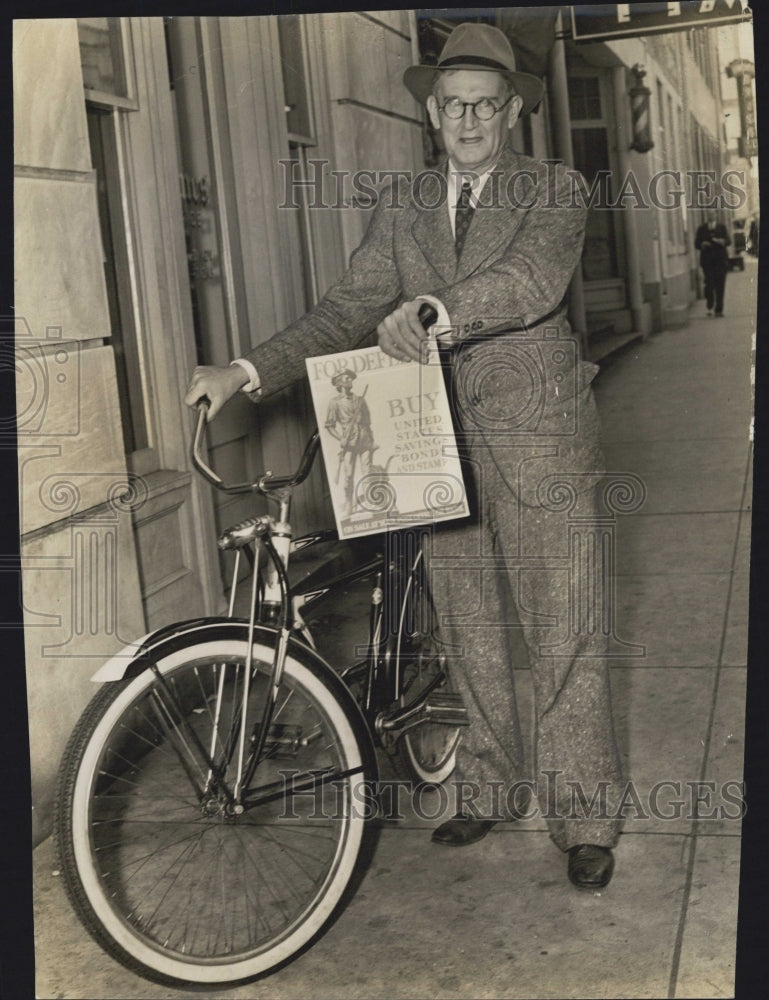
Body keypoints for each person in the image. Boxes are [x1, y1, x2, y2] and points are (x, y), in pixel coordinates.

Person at [185, 22, 623, 890]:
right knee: (465, 623)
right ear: (430, 111)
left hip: (539, 434)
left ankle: (582, 815)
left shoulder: (556, 188)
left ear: (510, 113)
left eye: (483, 106)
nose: (466, 120)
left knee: (561, 625)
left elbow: (529, 282)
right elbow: (346, 306)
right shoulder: (402, 204)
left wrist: (429, 311)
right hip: (427, 438)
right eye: (451, 104)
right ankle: (491, 788)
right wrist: (243, 369)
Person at [325, 369, 375, 518]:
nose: (349, 380)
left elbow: (368, 421)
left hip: (365, 438)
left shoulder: (360, 400)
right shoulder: (334, 402)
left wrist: (372, 440)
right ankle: (348, 502)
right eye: (345, 378)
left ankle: (369, 501)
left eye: (350, 378)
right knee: (348, 475)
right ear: (339, 383)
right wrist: (340, 438)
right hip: (349, 441)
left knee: (367, 471)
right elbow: (329, 425)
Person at [694, 212, 730, 317]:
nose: (711, 216)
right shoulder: (702, 228)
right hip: (707, 261)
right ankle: (710, 304)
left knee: (720, 285)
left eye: (713, 214)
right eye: (709, 215)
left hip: (720, 260)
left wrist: (721, 241)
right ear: (707, 216)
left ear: (716, 216)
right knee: (709, 284)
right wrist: (702, 244)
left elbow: (728, 241)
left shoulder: (722, 227)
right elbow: (696, 243)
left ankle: (719, 310)